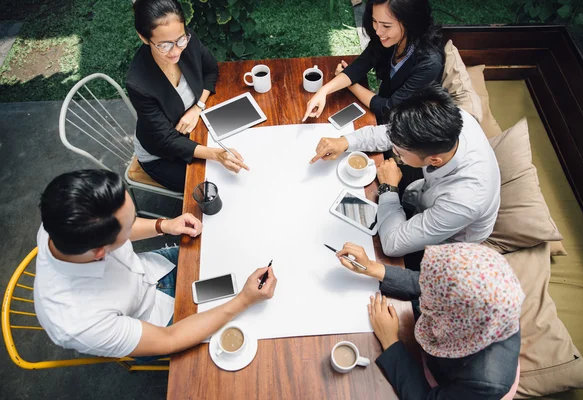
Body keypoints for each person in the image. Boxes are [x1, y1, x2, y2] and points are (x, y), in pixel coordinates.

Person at [34, 169, 277, 358]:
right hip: (159, 322)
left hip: (155, 267)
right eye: (130, 226)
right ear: (100, 252)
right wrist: (244, 300)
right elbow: (169, 339)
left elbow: (122, 227)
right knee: (252, 324)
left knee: (235, 251)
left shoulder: (61, 220)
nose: (135, 225)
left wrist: (163, 225)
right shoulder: (78, 323)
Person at [310, 86, 500, 266]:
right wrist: (345, 141)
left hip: (449, 242)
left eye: (398, 153)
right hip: (424, 195)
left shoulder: (465, 200)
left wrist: (389, 188)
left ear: (434, 160)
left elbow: (393, 245)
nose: (394, 151)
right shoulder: (454, 119)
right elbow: (394, 135)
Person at [337, 242, 525, 399]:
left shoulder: (484, 380)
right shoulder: (479, 293)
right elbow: (435, 282)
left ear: (454, 321)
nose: (427, 293)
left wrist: (390, 341)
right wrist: (372, 268)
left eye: (434, 298)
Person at [127, 0, 249, 192]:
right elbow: (166, 140)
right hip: (162, 155)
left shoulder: (188, 41)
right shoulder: (138, 83)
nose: (176, 51)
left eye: (180, 40)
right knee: (217, 188)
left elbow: (210, 71)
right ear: (143, 38)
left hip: (195, 125)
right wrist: (216, 155)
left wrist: (198, 106)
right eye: (164, 46)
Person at [302, 0, 444, 124]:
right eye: (374, 21)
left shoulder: (429, 63)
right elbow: (362, 64)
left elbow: (388, 108)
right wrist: (324, 91)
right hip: (383, 105)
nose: (378, 31)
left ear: (410, 23)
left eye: (386, 26)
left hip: (405, 125)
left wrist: (352, 86)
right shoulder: (392, 38)